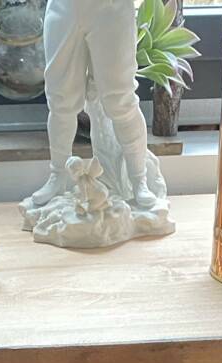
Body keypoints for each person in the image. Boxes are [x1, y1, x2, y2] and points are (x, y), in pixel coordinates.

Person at [30, 0, 156, 210]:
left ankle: (138, 179)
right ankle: (58, 175)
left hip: (112, 8)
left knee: (120, 100)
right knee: (61, 98)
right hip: (65, 7)